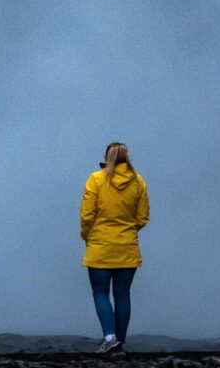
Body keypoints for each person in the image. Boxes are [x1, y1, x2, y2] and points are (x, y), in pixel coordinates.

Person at [80, 141, 150, 354]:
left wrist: (87, 236)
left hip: (100, 246)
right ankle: (120, 341)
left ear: (106, 157)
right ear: (127, 157)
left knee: (100, 292)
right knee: (122, 295)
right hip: (127, 247)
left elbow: (86, 215)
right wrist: (128, 230)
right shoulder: (138, 182)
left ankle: (110, 337)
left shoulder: (96, 180)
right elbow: (143, 217)